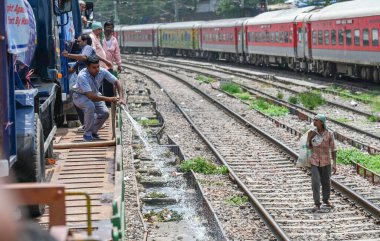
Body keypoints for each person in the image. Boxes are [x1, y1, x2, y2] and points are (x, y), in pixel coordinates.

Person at [73, 56, 125, 142]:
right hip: (80, 96)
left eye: (98, 66)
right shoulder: (82, 76)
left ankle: (93, 132)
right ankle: (87, 134)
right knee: (90, 106)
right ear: (87, 67)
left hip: (95, 94)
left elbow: (117, 82)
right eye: (94, 67)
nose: (97, 69)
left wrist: (121, 98)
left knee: (105, 113)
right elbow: (90, 96)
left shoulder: (102, 71)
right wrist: (110, 99)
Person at [307, 114, 337, 212]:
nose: (314, 122)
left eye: (316, 120)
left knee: (326, 182)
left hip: (326, 161)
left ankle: (326, 200)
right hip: (315, 161)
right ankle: (317, 204)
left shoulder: (329, 134)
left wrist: (334, 164)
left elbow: (333, 149)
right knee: (315, 183)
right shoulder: (312, 132)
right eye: (314, 120)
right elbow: (308, 146)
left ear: (321, 122)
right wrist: (310, 138)